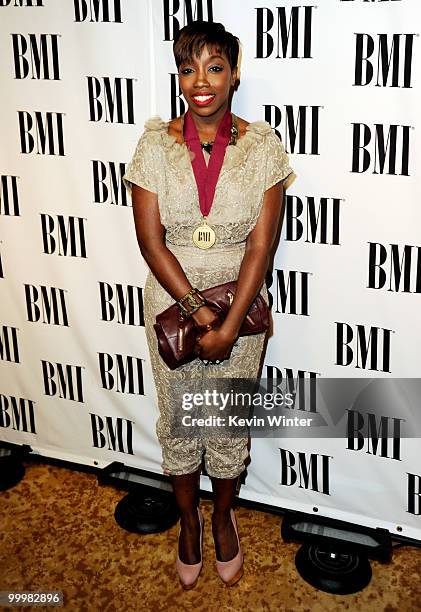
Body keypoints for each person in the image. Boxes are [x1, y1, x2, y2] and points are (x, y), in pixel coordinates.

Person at [123, 20, 295, 589]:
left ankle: (221, 517)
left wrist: (226, 326)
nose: (201, 81)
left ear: (234, 74)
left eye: (215, 67)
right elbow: (150, 240)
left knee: (224, 423)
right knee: (178, 421)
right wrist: (198, 312)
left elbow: (260, 245)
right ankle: (188, 521)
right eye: (188, 68)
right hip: (173, 303)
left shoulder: (263, 146)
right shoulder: (153, 144)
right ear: (178, 76)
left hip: (240, 308)